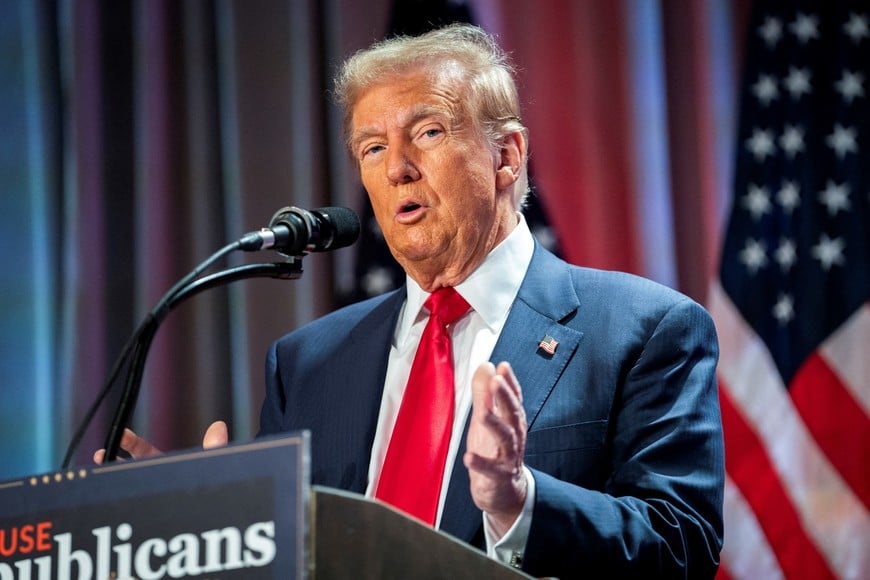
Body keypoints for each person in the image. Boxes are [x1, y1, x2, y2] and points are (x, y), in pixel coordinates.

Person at [99, 23, 724, 578]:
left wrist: (518, 501)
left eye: (427, 131)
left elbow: (682, 545)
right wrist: (219, 526)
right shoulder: (306, 362)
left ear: (506, 156)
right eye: (372, 148)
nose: (397, 167)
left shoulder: (644, 330)